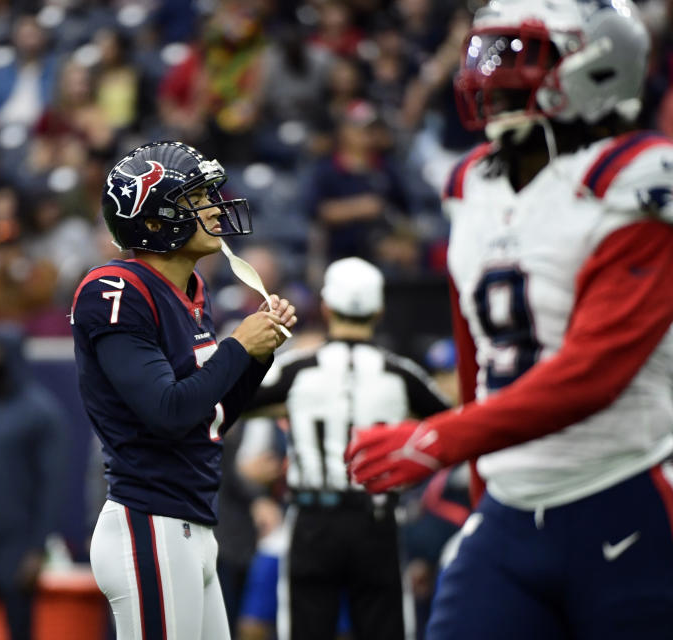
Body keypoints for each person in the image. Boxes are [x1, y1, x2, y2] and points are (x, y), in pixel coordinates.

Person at [346, 1, 673, 638]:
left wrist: (437, 440)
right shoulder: (476, 184)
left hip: (620, 493)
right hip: (509, 507)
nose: (490, 76)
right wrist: (477, 482)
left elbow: (592, 374)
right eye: (486, 55)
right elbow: (476, 358)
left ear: (598, 64)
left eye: (519, 55)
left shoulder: (633, 179)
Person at [71, 141, 297, 640]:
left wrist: (258, 356)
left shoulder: (194, 291)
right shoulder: (115, 289)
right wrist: (239, 346)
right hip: (149, 522)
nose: (216, 208)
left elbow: (209, 414)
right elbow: (167, 412)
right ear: (155, 221)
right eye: (199, 199)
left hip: (190, 522)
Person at [248, 257, 451, 640]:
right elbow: (453, 425)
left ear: (326, 308)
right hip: (377, 520)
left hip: (312, 520)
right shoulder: (401, 374)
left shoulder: (297, 370)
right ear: (378, 310)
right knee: (385, 628)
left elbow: (234, 405)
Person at [0, 327, 66, 640]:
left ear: (8, 356)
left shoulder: (42, 413)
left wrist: (37, 549)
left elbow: (52, 486)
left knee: (20, 631)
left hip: (17, 546)